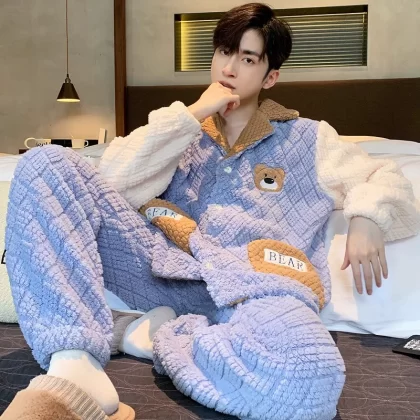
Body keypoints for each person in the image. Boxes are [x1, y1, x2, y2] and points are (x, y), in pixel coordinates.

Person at [3, 3, 420, 420]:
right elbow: (112, 183)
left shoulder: (310, 139)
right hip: (163, 270)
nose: (229, 68)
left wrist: (367, 217)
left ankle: (148, 334)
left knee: (311, 378)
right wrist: (192, 115)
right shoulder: (179, 128)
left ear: (270, 77)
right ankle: (73, 360)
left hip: (256, 288)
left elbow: (385, 175)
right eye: (224, 51)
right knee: (44, 163)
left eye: (248, 59)